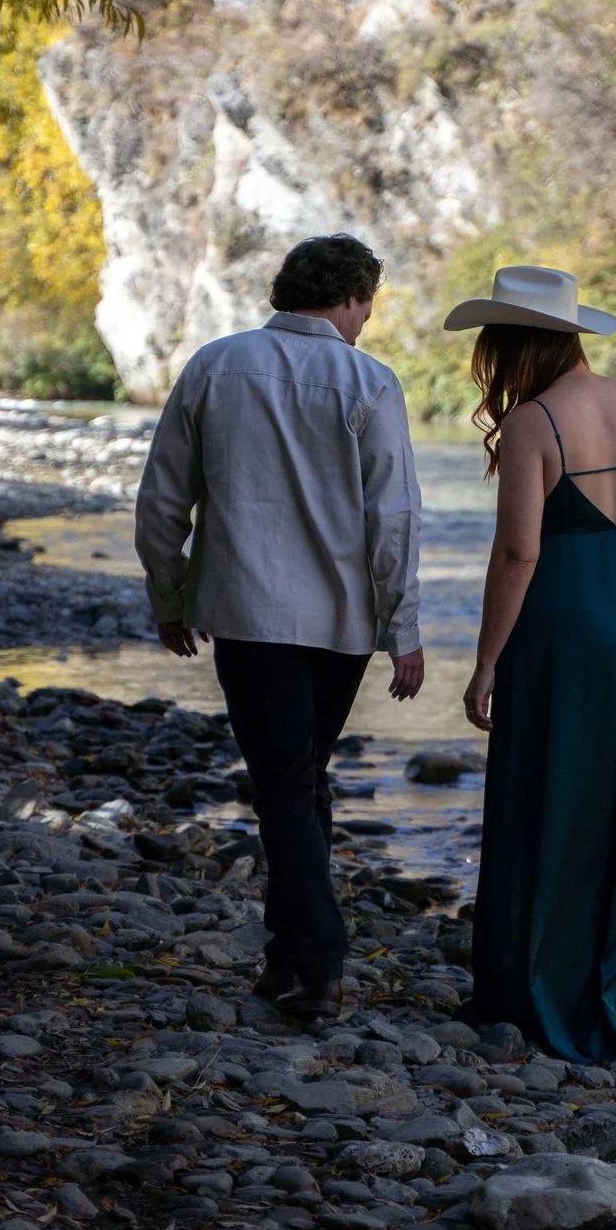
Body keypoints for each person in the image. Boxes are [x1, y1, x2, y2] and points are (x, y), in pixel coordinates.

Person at [135, 234, 424, 1025]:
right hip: (339, 622)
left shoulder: (214, 366)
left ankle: (309, 958)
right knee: (298, 781)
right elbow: (392, 516)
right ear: (352, 298)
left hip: (247, 615)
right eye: (368, 306)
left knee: (290, 783)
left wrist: (168, 593)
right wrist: (403, 627)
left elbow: (164, 497)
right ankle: (303, 957)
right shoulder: (370, 381)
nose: (365, 322)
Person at [445, 264, 616, 1062]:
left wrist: (486, 659)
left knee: (555, 796)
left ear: (511, 343)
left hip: (568, 627)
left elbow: (520, 551)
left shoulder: (534, 423)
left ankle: (546, 990)